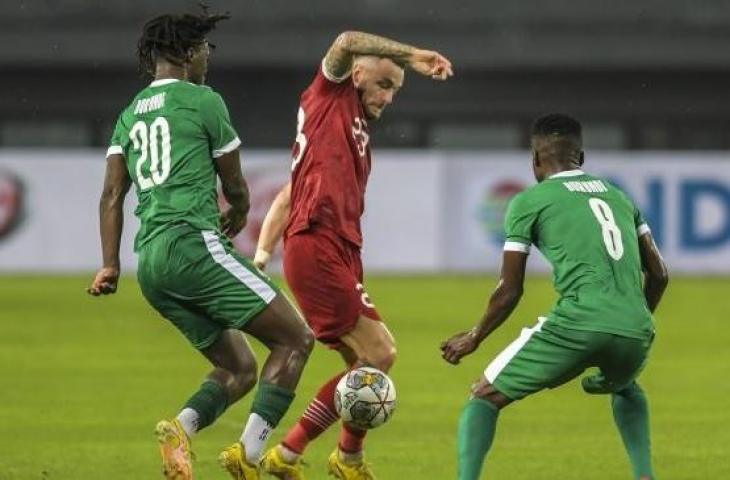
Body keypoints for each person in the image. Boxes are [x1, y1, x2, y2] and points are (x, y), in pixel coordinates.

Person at [88, 8, 314, 480]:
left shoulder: (129, 115)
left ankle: (179, 430)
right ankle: (249, 458)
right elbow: (234, 183)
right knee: (295, 339)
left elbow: (112, 194)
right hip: (192, 245)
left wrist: (109, 265)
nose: (209, 55)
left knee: (239, 369)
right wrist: (238, 209)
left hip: (149, 262)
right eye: (206, 47)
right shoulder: (204, 101)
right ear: (188, 52)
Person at [253, 31, 453, 479]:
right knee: (381, 355)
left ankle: (348, 458)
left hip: (337, 249)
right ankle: (287, 454)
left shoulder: (346, 127)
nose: (388, 96)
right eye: (383, 83)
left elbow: (288, 193)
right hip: (317, 242)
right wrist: (413, 53)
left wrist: (263, 252)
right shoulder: (329, 94)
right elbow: (345, 40)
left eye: (395, 90)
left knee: (363, 367)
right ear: (357, 75)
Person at [441, 113, 668, 480]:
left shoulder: (529, 201)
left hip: (578, 323)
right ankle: (645, 475)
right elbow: (659, 274)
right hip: (636, 327)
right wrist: (634, 320)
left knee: (483, 396)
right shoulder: (620, 196)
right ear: (582, 156)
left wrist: (475, 336)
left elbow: (510, 289)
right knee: (625, 385)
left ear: (535, 160)